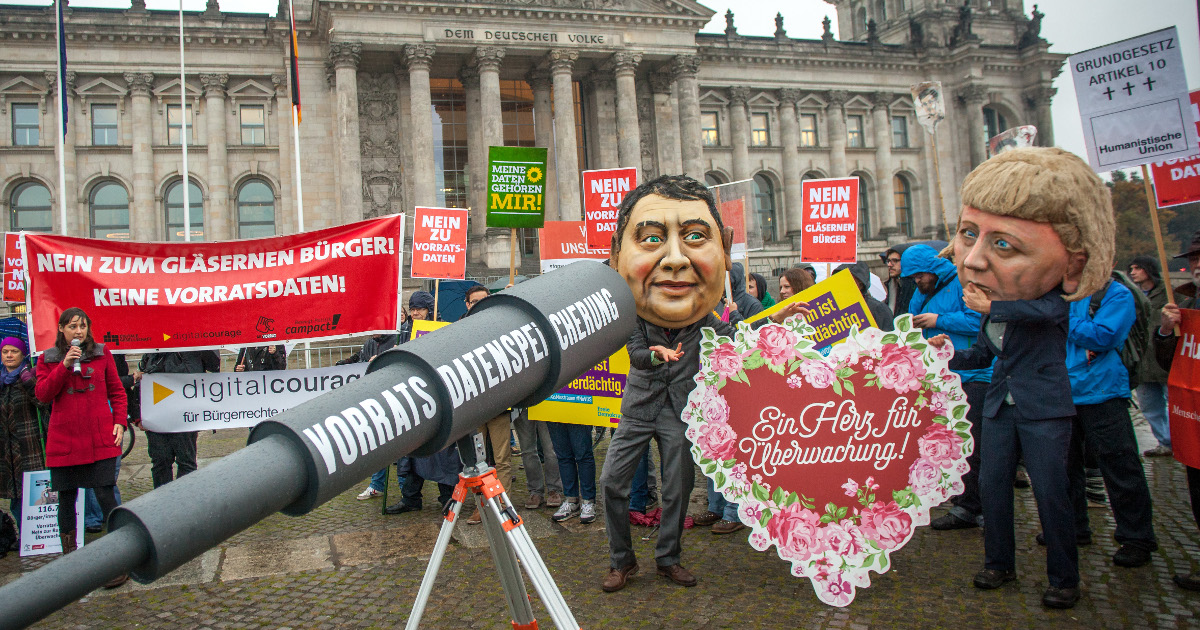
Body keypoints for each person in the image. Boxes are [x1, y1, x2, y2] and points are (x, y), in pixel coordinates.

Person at [600, 174, 807, 593]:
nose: (675, 260)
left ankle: (668, 558)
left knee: (678, 490)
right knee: (611, 484)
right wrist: (655, 354)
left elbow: (739, 336)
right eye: (653, 239)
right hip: (638, 411)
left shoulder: (702, 316)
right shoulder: (634, 312)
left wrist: (776, 317)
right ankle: (622, 561)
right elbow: (635, 351)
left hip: (680, 412)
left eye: (695, 236)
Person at [928, 147, 1115, 610]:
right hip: (1000, 405)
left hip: (1044, 408)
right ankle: (998, 563)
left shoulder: (1050, 302)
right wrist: (943, 354)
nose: (974, 260)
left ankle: (1064, 578)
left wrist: (994, 307)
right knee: (993, 487)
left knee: (1052, 495)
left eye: (1004, 244)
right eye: (969, 235)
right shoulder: (994, 307)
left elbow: (1044, 313)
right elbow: (982, 352)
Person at [1059, 275, 1158, 568]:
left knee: (1119, 466)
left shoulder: (1116, 293)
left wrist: (1060, 318)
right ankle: (1073, 527)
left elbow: (1104, 336)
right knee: (1065, 467)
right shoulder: (1055, 291)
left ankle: (1136, 538)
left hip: (1102, 392)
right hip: (1061, 391)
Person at [895, 244, 988, 531]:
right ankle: (962, 498)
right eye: (912, 278)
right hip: (942, 376)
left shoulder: (964, 283)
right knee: (951, 441)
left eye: (919, 276)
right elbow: (911, 321)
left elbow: (980, 320)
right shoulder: (920, 292)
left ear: (932, 269)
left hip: (974, 374)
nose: (917, 281)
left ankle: (972, 506)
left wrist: (939, 320)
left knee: (972, 443)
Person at [34, 308, 128, 588]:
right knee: (66, 498)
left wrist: (119, 422)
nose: (78, 331)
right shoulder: (48, 359)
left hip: (99, 438)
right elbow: (42, 394)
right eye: (73, 326)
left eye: (83, 326)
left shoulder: (102, 353)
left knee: (106, 495)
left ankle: (119, 559)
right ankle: (71, 562)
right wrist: (64, 366)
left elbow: (117, 391)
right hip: (65, 440)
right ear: (61, 329)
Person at [385, 292, 462, 515]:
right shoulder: (404, 332)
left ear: (430, 309)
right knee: (412, 450)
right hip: (413, 399)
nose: (415, 313)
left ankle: (447, 498)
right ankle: (410, 498)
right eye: (412, 309)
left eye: (419, 308)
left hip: (437, 398)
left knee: (442, 451)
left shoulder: (444, 329)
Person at [1153, 230, 1200, 591]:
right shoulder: (1189, 305)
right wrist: (1167, 331)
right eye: (1194, 260)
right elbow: (1170, 362)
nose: (1197, 266)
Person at [463, 285, 516, 525]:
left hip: (498, 402)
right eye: (474, 302)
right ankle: (482, 507)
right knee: (477, 462)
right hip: (474, 407)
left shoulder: (500, 323)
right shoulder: (460, 328)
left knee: (502, 459)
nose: (479, 305)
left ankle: (504, 505)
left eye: (484, 300)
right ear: (467, 304)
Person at [132, 349, 220, 488]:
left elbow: (212, 365)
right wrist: (138, 415)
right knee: (161, 462)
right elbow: (141, 380)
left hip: (184, 415)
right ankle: (163, 499)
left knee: (185, 462)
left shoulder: (192, 348)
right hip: (157, 415)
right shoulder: (152, 350)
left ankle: (183, 498)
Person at [0, 336, 45, 555]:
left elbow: (42, 402)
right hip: (6, 451)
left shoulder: (30, 376)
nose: (9, 355)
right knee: (15, 496)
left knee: (33, 494)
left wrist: (28, 381)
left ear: (23, 354)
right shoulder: (1, 381)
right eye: (5, 352)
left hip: (29, 447)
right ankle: (24, 535)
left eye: (14, 351)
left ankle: (38, 535)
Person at [1129, 255, 1172, 456]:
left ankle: (1179, 442)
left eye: (1137, 268)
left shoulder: (1169, 293)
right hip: (1142, 360)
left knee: (1174, 404)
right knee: (1149, 406)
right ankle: (1165, 442)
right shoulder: (1131, 294)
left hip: (1165, 358)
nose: (1133, 272)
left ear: (1148, 269)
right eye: (1131, 268)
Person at [835, 261, 894, 331]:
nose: (841, 283)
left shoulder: (878, 309)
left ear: (860, 283)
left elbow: (888, 335)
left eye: (846, 278)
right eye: (838, 278)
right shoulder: (832, 308)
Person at [880, 247, 916, 316]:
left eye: (895, 261)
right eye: (888, 261)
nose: (889, 265)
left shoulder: (913, 285)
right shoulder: (892, 284)